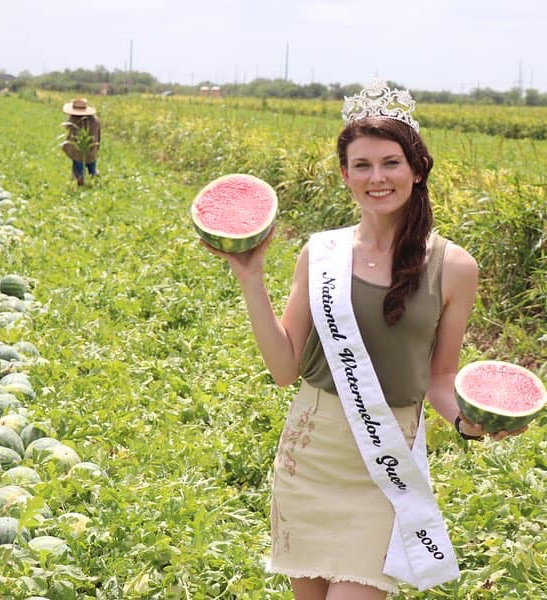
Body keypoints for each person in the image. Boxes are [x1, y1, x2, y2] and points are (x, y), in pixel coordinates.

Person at [201, 80, 526, 599]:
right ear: (345, 175)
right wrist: (251, 277)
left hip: (385, 465)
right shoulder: (321, 254)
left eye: (391, 162)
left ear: (417, 169)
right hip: (310, 453)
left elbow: (440, 376)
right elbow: (285, 370)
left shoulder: (455, 268)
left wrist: (469, 423)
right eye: (362, 165)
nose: (377, 177)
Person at [60, 97, 101, 186]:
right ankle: (94, 180)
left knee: (78, 169)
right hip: (92, 150)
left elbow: (67, 127)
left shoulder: (74, 120)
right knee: (92, 167)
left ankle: (81, 181)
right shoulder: (95, 120)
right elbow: (98, 135)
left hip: (78, 151)